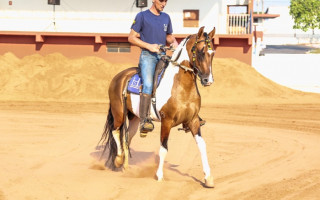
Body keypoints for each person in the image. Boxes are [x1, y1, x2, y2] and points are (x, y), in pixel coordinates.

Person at [128, 0, 178, 137]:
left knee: (173, 80)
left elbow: (169, 36)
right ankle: (144, 120)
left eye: (166, 1)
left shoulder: (166, 17)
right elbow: (131, 38)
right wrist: (149, 46)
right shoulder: (142, 16)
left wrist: (175, 45)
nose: (164, 4)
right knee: (148, 84)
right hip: (147, 56)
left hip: (163, 56)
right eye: (162, 1)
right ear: (153, 0)